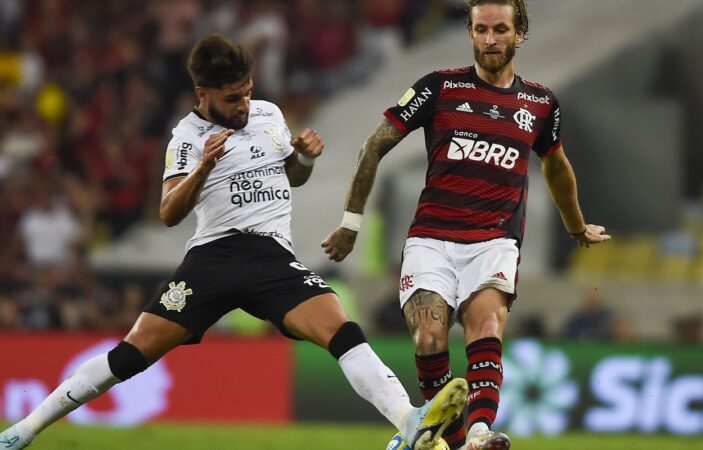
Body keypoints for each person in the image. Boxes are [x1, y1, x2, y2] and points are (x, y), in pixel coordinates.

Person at [0, 34, 467, 450]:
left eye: (246, 91)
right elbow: (167, 213)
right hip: (214, 257)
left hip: (271, 257)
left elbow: (292, 178)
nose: (244, 103)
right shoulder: (186, 138)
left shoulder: (268, 114)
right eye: (231, 98)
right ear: (203, 95)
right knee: (130, 354)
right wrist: (202, 168)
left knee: (342, 329)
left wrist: (302, 159)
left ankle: (409, 423)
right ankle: (27, 428)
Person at [322, 2, 610, 449]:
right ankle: (456, 442)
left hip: (494, 239)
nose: (490, 39)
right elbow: (375, 144)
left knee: (486, 326)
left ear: (520, 33)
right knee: (429, 337)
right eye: (480, 29)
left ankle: (479, 432)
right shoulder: (439, 87)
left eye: (499, 30)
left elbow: (557, 167)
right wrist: (350, 222)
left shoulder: (539, 103)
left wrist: (576, 227)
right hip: (431, 238)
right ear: (469, 32)